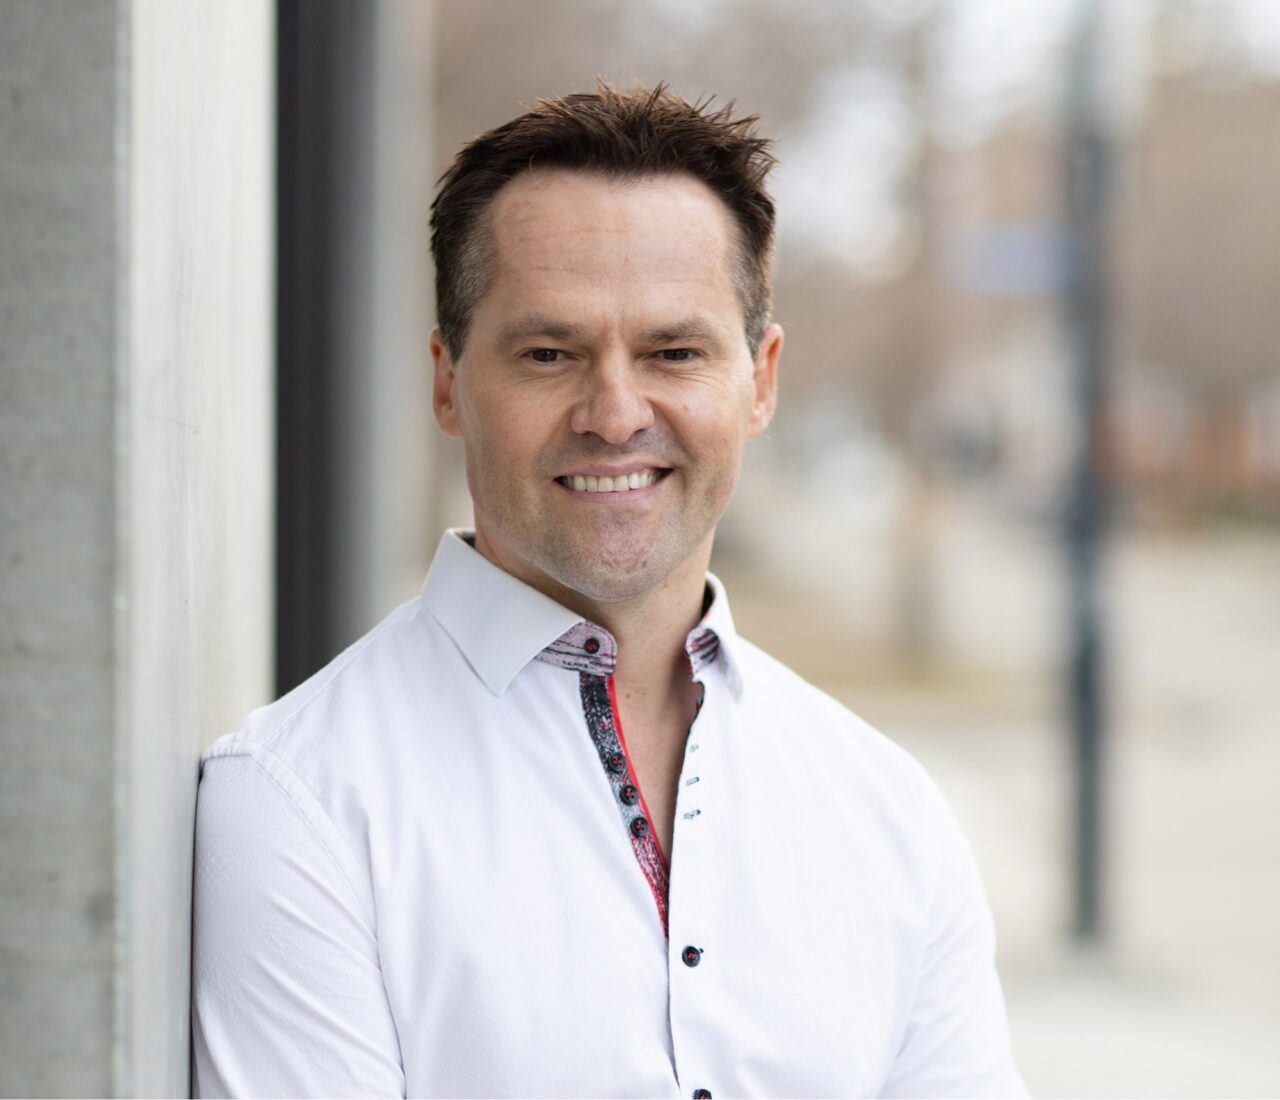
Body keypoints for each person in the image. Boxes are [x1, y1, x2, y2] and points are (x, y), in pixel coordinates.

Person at [192, 81, 1025, 1098]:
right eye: (550, 353)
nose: (615, 412)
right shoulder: (300, 804)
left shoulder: (888, 813)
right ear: (448, 380)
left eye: (674, 351)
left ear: (759, 379)